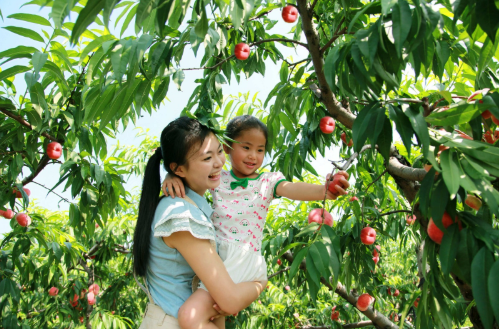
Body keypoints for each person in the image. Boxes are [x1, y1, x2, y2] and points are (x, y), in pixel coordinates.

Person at [163, 115, 350, 329]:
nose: (253, 156)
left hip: (240, 259)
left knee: (190, 316)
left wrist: (323, 190)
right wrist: (171, 176)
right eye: (246, 147)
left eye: (260, 150)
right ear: (227, 147)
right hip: (216, 258)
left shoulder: (266, 181)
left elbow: (290, 188)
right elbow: (190, 170)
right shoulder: (218, 176)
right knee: (213, 321)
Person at [133, 116, 266, 329]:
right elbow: (229, 299)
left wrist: (171, 174)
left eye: (220, 152)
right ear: (179, 169)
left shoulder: (191, 206)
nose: (219, 163)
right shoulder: (180, 216)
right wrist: (260, 283)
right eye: (207, 159)